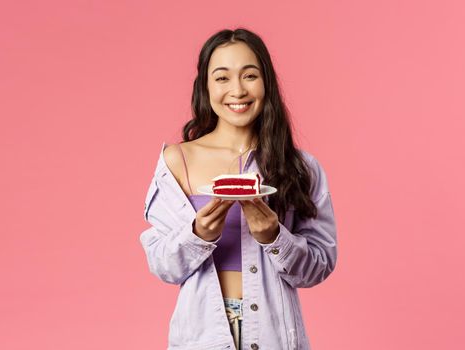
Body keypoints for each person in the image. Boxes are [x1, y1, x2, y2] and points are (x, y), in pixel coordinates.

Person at [140, 28, 338, 350]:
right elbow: (163, 265)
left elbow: (318, 266)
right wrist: (197, 234)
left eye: (249, 75)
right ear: (205, 86)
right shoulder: (178, 160)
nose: (237, 90)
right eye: (222, 78)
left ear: (266, 83)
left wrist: (274, 237)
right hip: (204, 335)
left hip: (275, 335)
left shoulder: (300, 167)